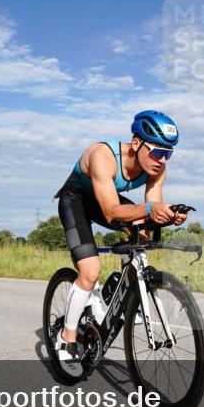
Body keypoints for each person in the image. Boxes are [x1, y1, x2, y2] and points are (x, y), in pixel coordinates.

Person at [53, 110, 187, 375]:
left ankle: (124, 287)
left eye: (168, 153)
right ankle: (66, 337)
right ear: (136, 143)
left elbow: (152, 209)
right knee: (90, 272)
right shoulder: (102, 156)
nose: (162, 160)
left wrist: (169, 216)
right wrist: (151, 209)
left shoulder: (157, 168)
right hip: (76, 202)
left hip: (107, 200)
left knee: (142, 232)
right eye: (158, 152)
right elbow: (112, 212)